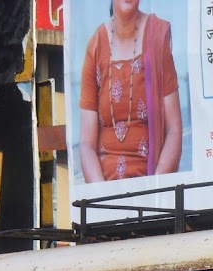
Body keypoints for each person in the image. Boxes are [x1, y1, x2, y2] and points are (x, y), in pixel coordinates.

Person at [78, 0, 182, 182]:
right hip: (105, 194)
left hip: (152, 189)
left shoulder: (157, 36)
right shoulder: (95, 46)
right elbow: (86, 144)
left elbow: (174, 129)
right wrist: (103, 199)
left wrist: (154, 191)